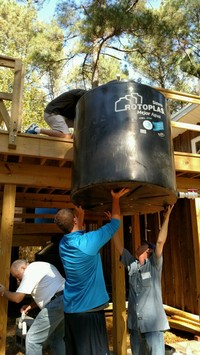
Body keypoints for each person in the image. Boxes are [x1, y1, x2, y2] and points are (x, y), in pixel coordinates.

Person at [54, 188, 130, 355]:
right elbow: (116, 222)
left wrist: (80, 216)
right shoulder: (88, 243)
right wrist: (115, 199)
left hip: (72, 312)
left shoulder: (63, 245)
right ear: (74, 220)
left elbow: (77, 232)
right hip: (89, 313)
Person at [112, 204, 174, 355]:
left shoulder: (154, 265)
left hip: (152, 327)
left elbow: (160, 242)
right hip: (135, 327)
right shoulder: (131, 264)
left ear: (149, 250)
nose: (137, 245)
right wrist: (112, 225)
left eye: (141, 245)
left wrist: (166, 218)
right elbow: (119, 246)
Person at [0, 260, 65, 355]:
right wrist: (30, 306)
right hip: (65, 300)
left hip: (56, 304)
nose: (18, 280)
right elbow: (49, 292)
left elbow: (17, 298)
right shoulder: (41, 266)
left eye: (17, 276)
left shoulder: (30, 271)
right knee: (56, 338)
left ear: (23, 268)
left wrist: (3, 291)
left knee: (32, 339)